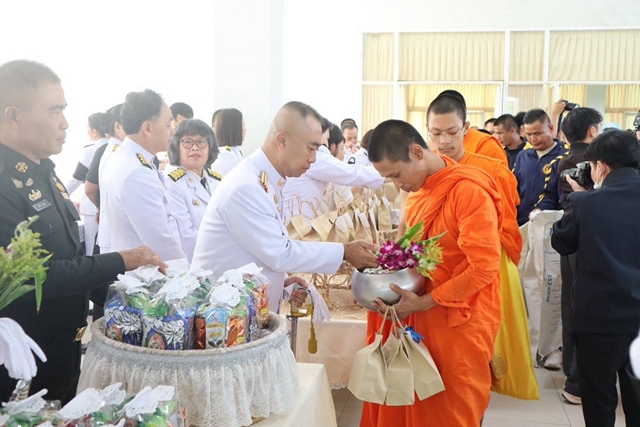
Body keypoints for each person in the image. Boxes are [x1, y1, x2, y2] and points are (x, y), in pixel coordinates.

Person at [0, 59, 166, 404]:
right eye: (54, 111)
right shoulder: (5, 184)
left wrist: (134, 305)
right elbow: (32, 278)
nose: (65, 123)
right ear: (13, 115)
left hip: (62, 350)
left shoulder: (43, 173)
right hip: (22, 361)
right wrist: (120, 260)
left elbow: (69, 258)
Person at [362, 119, 503, 427]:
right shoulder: (419, 189)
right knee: (412, 402)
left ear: (417, 152)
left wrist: (425, 302)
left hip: (458, 321)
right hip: (419, 317)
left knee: (452, 407)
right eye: (389, 179)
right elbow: (411, 249)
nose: (397, 185)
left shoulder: (468, 191)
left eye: (397, 174)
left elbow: (484, 268)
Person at [191, 101, 379, 312]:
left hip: (240, 310)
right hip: (220, 318)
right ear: (282, 141)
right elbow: (280, 253)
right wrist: (344, 251)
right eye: (311, 149)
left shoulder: (266, 180)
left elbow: (261, 250)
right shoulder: (246, 187)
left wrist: (281, 283)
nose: (313, 159)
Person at [551, 130, 640, 427]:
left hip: (598, 320)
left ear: (600, 166)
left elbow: (562, 242)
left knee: (599, 401)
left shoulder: (585, 203)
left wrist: (577, 198)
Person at [546, 107, 603, 405]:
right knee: (587, 309)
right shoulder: (599, 161)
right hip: (593, 242)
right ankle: (579, 380)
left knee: (570, 305)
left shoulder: (562, 161)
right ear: (593, 130)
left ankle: (571, 368)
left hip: (569, 237)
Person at [397, 90, 507, 235]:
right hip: (427, 248)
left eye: (452, 132)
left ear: (465, 128)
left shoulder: (493, 168)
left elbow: (505, 227)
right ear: (427, 128)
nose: (444, 141)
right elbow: (407, 221)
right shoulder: (420, 168)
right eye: (436, 133)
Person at [101, 89, 185, 261]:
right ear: (148, 128)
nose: (172, 131)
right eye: (168, 124)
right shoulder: (137, 172)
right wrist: (188, 271)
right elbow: (160, 240)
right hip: (148, 273)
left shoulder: (125, 157)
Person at [282, 120, 384, 222]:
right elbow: (353, 174)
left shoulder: (303, 154)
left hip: (299, 221)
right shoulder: (317, 157)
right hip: (298, 224)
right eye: (326, 138)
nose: (326, 143)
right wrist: (387, 173)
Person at [165, 119, 221, 261]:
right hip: (197, 262)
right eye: (188, 142)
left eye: (201, 142)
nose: (195, 148)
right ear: (176, 147)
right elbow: (186, 236)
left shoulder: (218, 181)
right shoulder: (172, 185)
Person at [514, 109, 568, 226]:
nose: (533, 139)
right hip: (521, 222)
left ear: (551, 128)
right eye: (528, 135)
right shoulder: (523, 156)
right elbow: (514, 189)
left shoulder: (564, 157)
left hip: (550, 224)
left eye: (537, 134)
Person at [84, 104, 125, 254]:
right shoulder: (120, 152)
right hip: (118, 236)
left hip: (112, 233)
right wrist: (101, 207)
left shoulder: (107, 149)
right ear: (118, 126)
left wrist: (101, 207)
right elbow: (90, 188)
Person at [66, 112, 109, 255]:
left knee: (92, 251)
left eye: (88, 128)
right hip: (110, 206)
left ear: (95, 131)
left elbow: (76, 179)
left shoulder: (91, 150)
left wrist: (61, 195)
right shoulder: (116, 149)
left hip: (92, 208)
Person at [211, 108, 245, 176]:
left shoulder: (234, 151)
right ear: (234, 128)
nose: (245, 129)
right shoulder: (225, 157)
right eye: (243, 125)